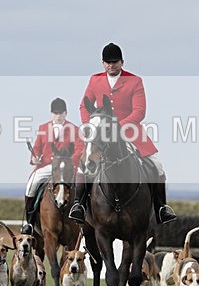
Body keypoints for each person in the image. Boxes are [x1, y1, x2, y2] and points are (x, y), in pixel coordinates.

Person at [68, 42, 177, 224]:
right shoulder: (95, 80)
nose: (111, 65)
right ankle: (79, 205)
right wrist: (92, 125)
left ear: (122, 62)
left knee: (156, 165)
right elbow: (83, 105)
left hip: (130, 131)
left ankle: (161, 208)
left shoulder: (135, 81)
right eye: (108, 62)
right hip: (100, 133)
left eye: (115, 62)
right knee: (84, 165)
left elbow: (139, 111)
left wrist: (119, 127)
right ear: (103, 63)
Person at [23, 97, 80, 233]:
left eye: (61, 113)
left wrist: (70, 161)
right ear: (51, 114)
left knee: (83, 185)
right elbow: (37, 148)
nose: (58, 116)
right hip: (48, 166)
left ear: (65, 113)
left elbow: (80, 148)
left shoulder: (74, 129)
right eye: (55, 113)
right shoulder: (43, 128)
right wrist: (34, 158)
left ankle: (82, 216)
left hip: (67, 167)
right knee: (31, 184)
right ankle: (29, 222)